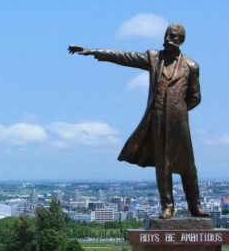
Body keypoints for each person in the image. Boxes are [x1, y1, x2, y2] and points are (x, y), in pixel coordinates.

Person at [68, 23, 210, 219]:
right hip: (157, 120)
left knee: (188, 165)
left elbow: (195, 97)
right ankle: (167, 206)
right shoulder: (154, 57)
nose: (168, 39)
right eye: (166, 35)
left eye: (173, 36)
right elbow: (126, 57)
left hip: (179, 123)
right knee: (163, 164)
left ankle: (195, 206)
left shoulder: (191, 66)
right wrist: (93, 51)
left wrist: (178, 110)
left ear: (181, 40)